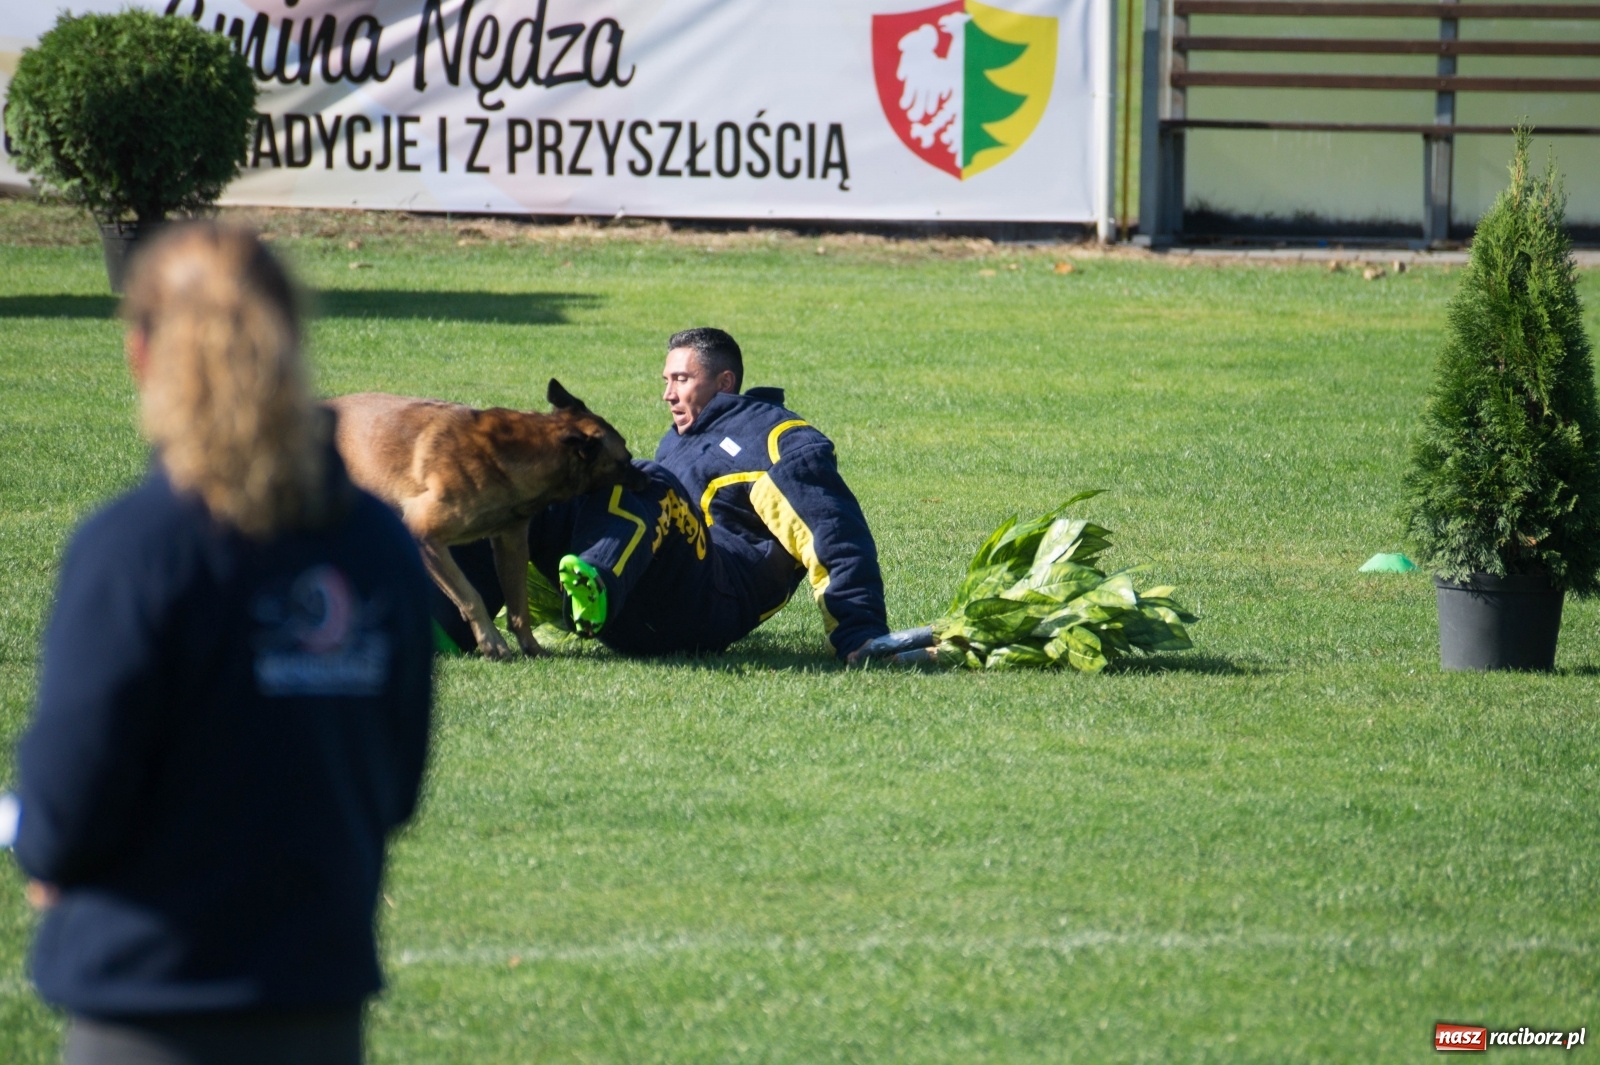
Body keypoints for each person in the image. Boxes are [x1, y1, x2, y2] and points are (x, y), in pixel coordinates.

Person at [11, 223, 433, 1065]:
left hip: (150, 1006)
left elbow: (66, 808)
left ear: (141, 354)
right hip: (316, 1002)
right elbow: (393, 786)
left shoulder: (136, 548)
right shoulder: (378, 547)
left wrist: (43, 844)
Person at [433, 328, 889, 661]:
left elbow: (834, 532)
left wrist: (860, 633)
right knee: (541, 488)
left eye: (681, 380)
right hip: (643, 604)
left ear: (724, 383)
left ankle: (597, 578)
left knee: (646, 481)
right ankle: (442, 625)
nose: (668, 395)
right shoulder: (681, 439)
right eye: (666, 381)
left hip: (709, 603)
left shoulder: (777, 437)